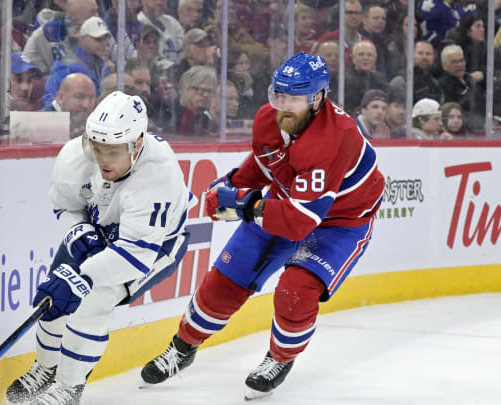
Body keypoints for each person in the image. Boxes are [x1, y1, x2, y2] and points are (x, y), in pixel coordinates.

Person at [141, 52, 385, 400]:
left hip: (341, 221)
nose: (282, 106)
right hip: (289, 203)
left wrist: (242, 203)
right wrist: (230, 185)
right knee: (225, 280)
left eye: (294, 98)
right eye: (278, 95)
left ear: (317, 99)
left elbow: (300, 222)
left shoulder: (333, 139)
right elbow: (266, 163)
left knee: (296, 289)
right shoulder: (268, 119)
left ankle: (280, 358)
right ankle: (182, 347)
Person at [5, 91, 195, 405]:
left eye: (114, 151)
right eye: (97, 148)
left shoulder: (157, 172)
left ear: (137, 144)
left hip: (154, 246)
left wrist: (84, 277)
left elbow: (135, 253)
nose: (103, 159)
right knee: (55, 294)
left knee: (94, 300)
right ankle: (46, 368)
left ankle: (69, 387)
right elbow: (65, 206)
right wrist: (79, 231)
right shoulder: (75, 155)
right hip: (99, 231)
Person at [44, 73, 97, 139]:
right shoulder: (40, 125)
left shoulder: (95, 123)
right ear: (60, 98)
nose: (86, 105)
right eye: (79, 97)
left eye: (91, 98)